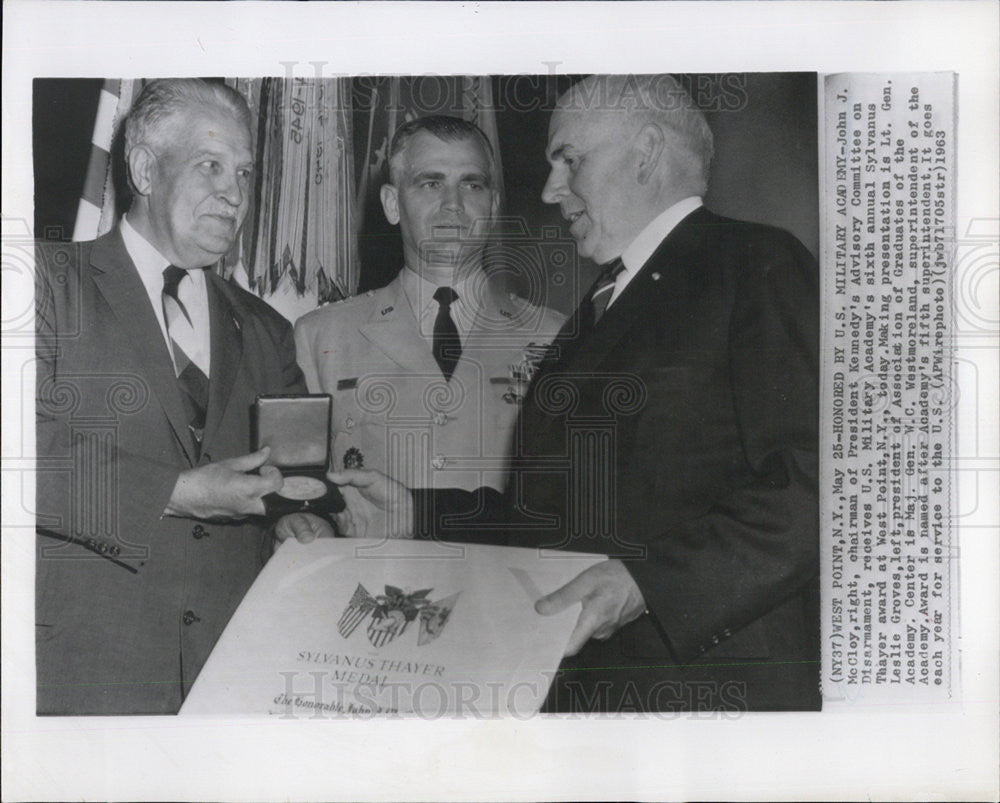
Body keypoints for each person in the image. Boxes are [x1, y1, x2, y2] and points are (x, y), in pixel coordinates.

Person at [287, 74, 821, 713]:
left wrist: (646, 583)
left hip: (709, 700)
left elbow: (821, 486)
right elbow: (552, 522)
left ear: (646, 151)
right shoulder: (595, 312)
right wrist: (416, 514)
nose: (549, 190)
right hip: (592, 695)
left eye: (569, 160)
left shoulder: (753, 263)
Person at [34, 78, 306, 715]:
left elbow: (294, 477)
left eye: (243, 171)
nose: (235, 194)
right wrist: (180, 493)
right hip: (82, 678)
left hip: (232, 684)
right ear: (144, 168)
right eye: (210, 165)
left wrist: (304, 518)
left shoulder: (269, 330)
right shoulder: (44, 286)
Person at [294, 115, 564, 492]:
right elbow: (300, 497)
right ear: (391, 204)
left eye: (472, 184)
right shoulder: (320, 337)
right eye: (431, 183)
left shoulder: (557, 337)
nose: (453, 204)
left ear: (494, 204)